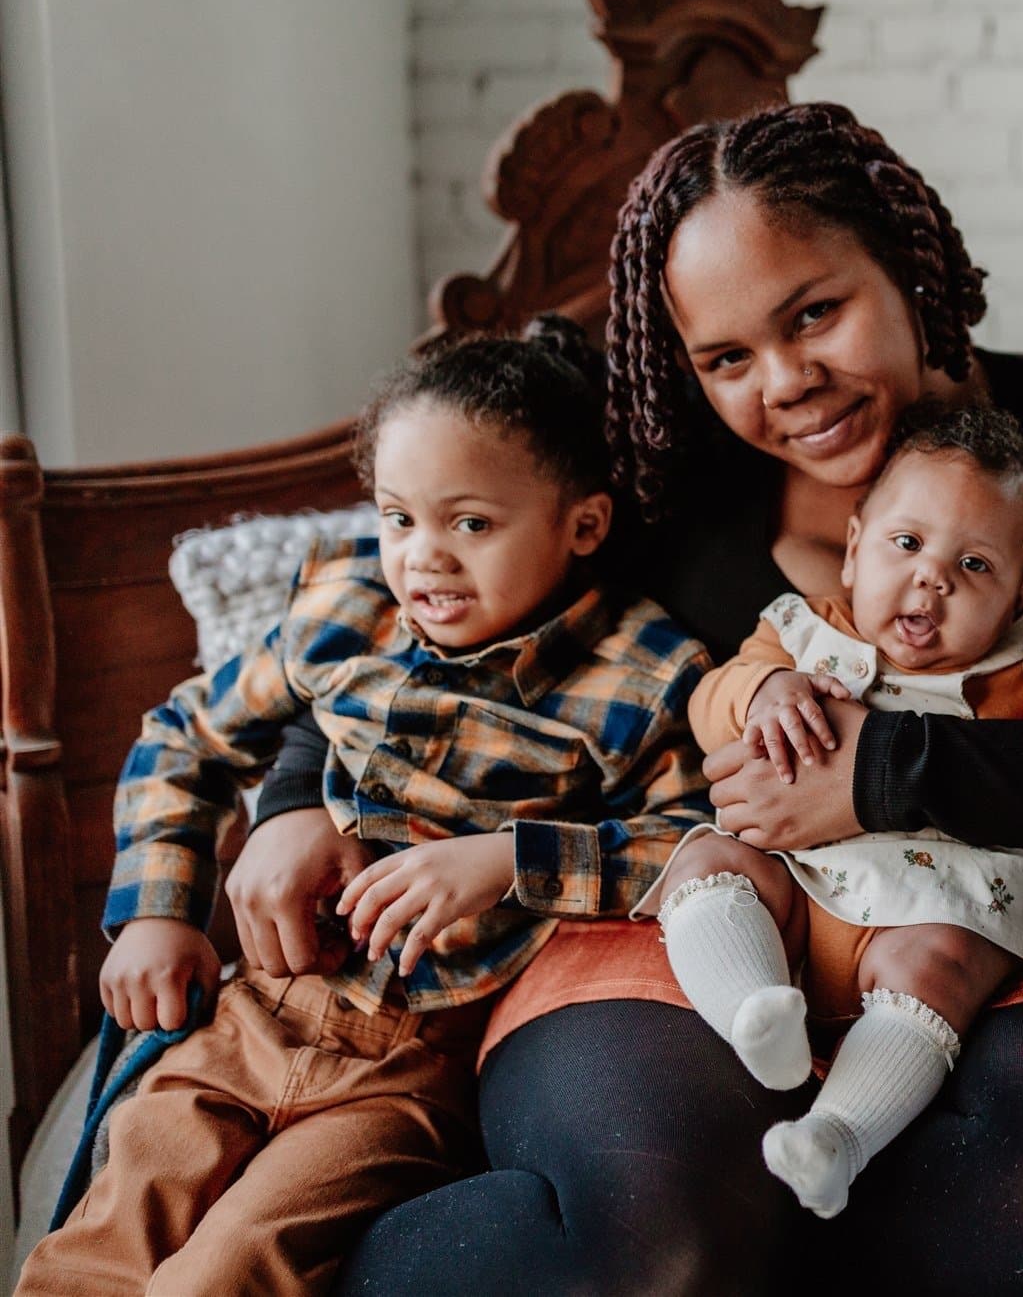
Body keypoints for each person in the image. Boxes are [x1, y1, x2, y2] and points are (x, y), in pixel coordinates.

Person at [222, 102, 1023, 1296]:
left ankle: (768, 1214)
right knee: (651, 1239)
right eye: (726, 358)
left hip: (974, 939)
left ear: (907, 260)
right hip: (682, 913)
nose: (787, 385)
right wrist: (298, 790)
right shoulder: (664, 468)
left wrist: (879, 771)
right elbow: (424, 593)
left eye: (815, 314)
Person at [17, 320, 709, 1295]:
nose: (423, 558)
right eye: (397, 518)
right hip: (256, 1009)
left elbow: (695, 850)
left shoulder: (640, 676)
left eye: (469, 523)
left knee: (231, 1267)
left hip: (415, 1062)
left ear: (581, 525)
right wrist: (157, 914)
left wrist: (511, 859)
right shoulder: (347, 608)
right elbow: (188, 736)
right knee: (101, 1243)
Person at [656, 403, 1023, 1219]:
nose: (931, 577)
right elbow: (707, 702)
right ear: (856, 541)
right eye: (907, 544)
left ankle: (836, 1137)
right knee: (706, 862)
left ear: (1021, 595)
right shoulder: (799, 632)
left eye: (975, 565)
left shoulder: (1022, 674)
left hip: (920, 919)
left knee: (941, 961)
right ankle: (752, 1014)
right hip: (791, 900)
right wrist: (762, 688)